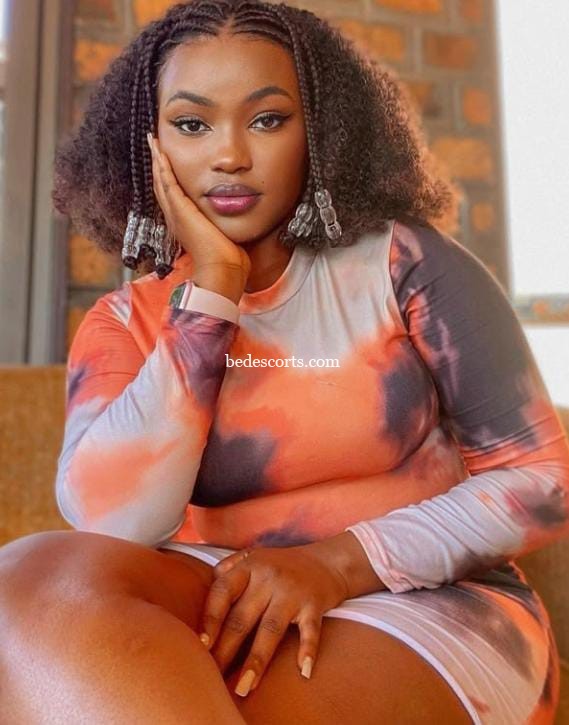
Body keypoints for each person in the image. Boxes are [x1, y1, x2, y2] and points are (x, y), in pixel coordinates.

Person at [1, 1, 568, 722]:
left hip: (420, 597)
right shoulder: (123, 321)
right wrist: (212, 291)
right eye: (191, 124)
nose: (230, 155)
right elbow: (110, 526)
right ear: (149, 145)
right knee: (31, 578)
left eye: (267, 119)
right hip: (220, 587)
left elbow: (542, 481)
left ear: (319, 133)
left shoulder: (405, 266)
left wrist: (333, 563)